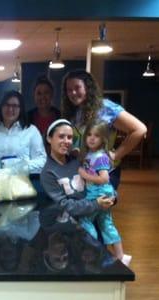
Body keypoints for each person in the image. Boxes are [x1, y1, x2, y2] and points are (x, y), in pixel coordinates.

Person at [62, 69, 146, 189]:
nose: (73, 93)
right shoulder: (74, 112)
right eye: (69, 90)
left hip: (105, 172)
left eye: (77, 87)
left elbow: (140, 129)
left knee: (100, 205)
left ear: (87, 87)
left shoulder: (105, 107)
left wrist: (115, 155)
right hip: (84, 173)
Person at [78, 122, 130, 265]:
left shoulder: (100, 157)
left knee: (85, 220)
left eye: (96, 136)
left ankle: (92, 250)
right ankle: (121, 255)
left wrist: (84, 174)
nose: (92, 138)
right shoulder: (90, 154)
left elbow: (104, 178)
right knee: (105, 223)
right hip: (101, 192)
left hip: (97, 193)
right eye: (89, 135)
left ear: (103, 139)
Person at [40, 119, 113, 219]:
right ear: (49, 139)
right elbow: (64, 205)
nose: (66, 141)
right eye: (61, 136)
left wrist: (111, 196)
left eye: (69, 137)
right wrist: (95, 204)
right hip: (70, 224)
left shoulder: (79, 161)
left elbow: (99, 182)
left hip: (95, 215)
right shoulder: (48, 173)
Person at [0, 90, 46, 174]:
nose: (10, 109)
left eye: (15, 106)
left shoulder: (31, 131)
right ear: (1, 107)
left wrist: (19, 167)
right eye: (6, 105)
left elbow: (42, 161)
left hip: (23, 182)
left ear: (21, 109)